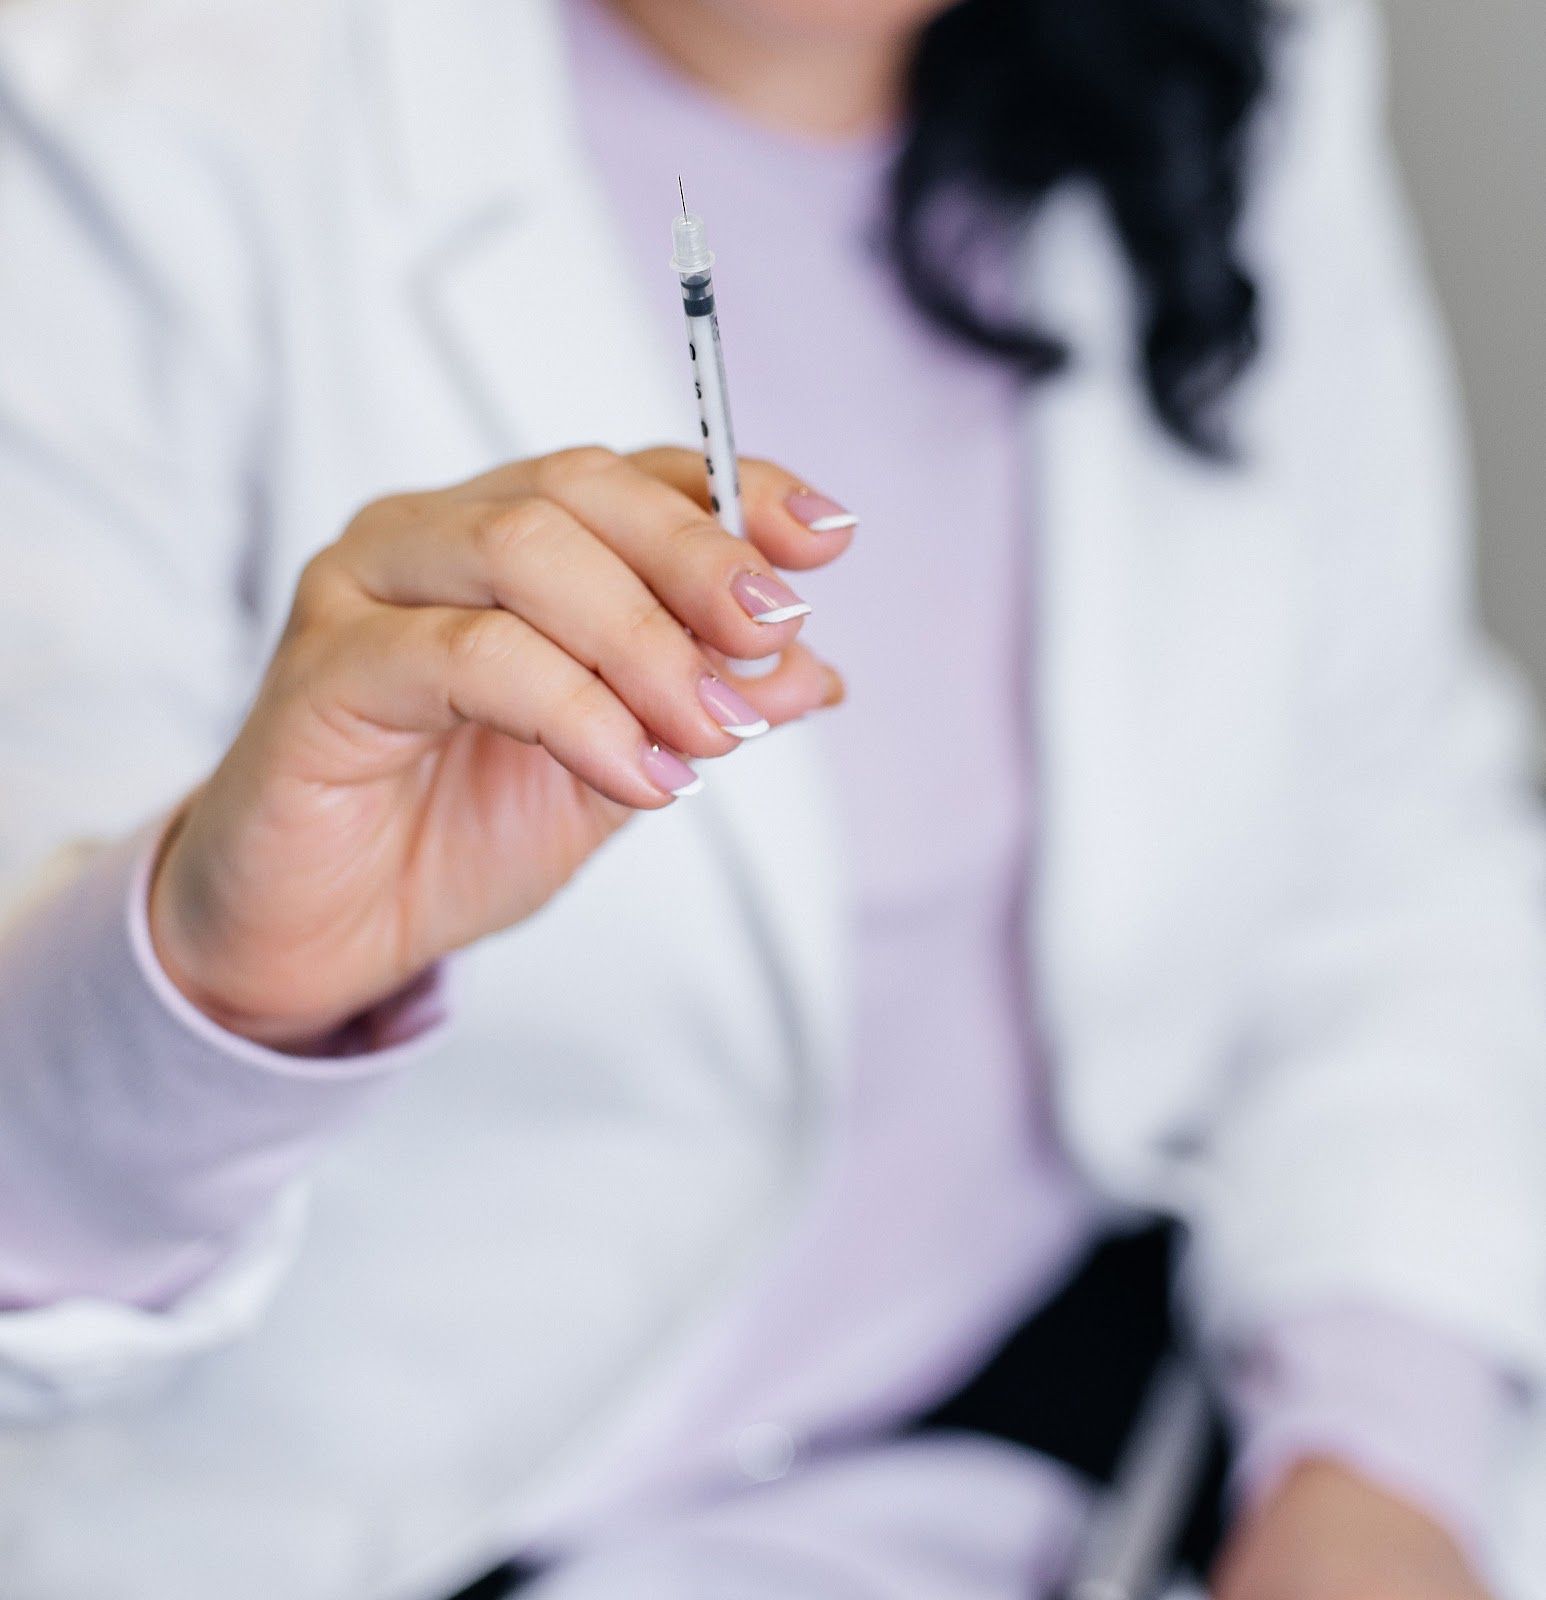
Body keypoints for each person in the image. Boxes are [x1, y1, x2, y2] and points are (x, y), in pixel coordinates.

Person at [0, 0, 1543, 1595]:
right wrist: (211, 984)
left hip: (1085, 1431)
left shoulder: (1237, 52)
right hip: (408, 1532)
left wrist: (1376, 1467)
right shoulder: (114, 109)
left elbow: (1383, 835)